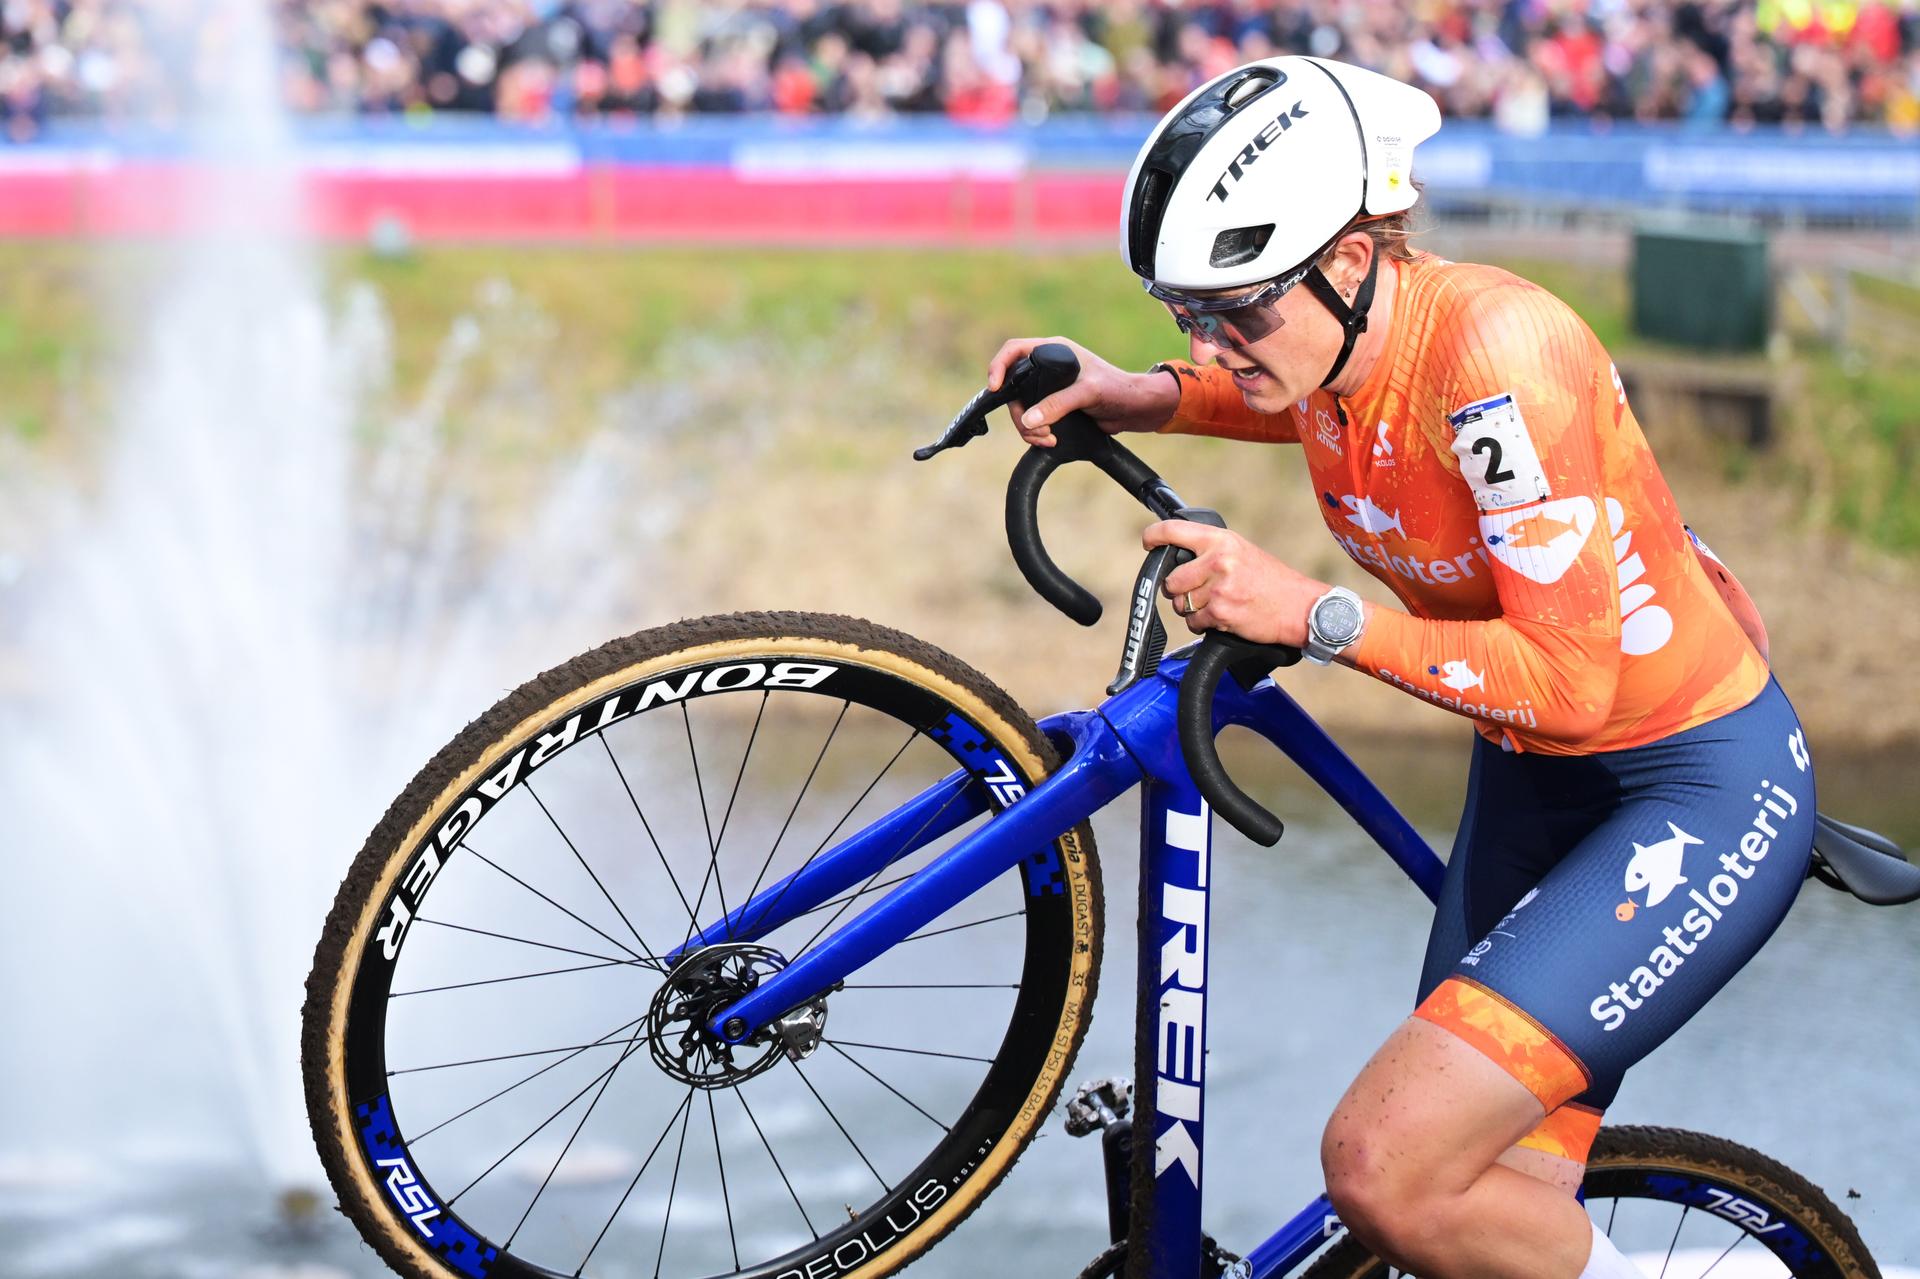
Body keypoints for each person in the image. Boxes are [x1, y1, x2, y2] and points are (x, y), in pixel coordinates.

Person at [986, 56, 1812, 1279]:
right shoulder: (1336, 346)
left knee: (1386, 1168)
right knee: (1464, 1221)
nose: (1215, 343)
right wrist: (1135, 392)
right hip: (1537, 784)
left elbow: (1571, 685)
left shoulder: (1497, 356)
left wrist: (1311, 612)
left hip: (1687, 790)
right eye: (1186, 314)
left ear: (1353, 258)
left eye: (1237, 310)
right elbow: (1288, 390)